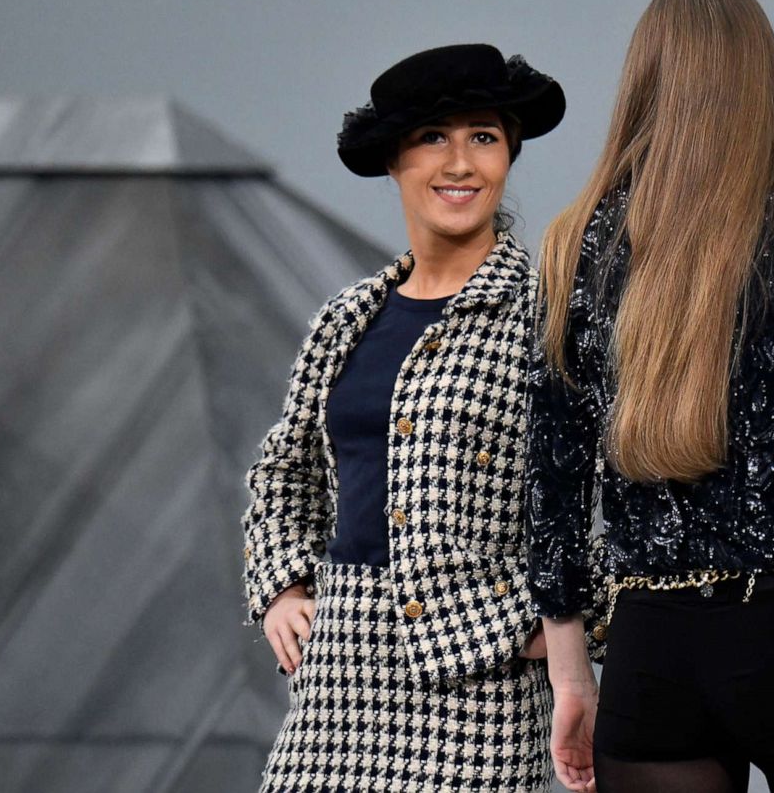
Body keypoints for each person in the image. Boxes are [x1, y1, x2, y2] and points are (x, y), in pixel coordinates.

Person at [525, 0, 774, 793]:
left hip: (646, 657)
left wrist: (573, 682)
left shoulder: (572, 254)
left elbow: (553, 498)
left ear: (642, 88)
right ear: (762, 93)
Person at [241, 43, 565, 792]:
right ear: (394, 160)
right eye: (432, 137)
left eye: (483, 136)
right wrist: (282, 588)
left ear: (510, 155)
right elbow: (284, 470)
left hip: (478, 692)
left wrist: (555, 624)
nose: (460, 163)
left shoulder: (551, 320)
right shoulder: (346, 319)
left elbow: (620, 492)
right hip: (335, 679)